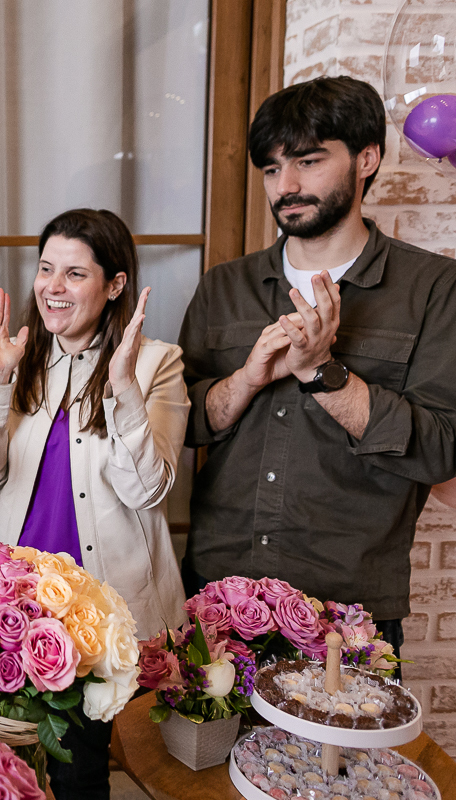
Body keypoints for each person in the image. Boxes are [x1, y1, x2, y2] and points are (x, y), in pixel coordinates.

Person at [178, 75, 456, 659]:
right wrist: (245, 381)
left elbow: (440, 448)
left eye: (308, 160)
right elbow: (182, 424)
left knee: (341, 756)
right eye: (273, 168)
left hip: (348, 612)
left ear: (367, 159)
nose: (288, 186)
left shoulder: (432, 289)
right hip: (219, 597)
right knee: (200, 754)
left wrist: (324, 373)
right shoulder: (225, 287)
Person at [0, 208, 189, 800]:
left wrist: (122, 389)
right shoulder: (19, 355)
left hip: (100, 608)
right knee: (4, 759)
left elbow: (149, 489)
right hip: (15, 599)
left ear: (115, 286)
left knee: (79, 767)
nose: (52, 288)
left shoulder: (157, 362)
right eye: (45, 270)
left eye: (74, 274)